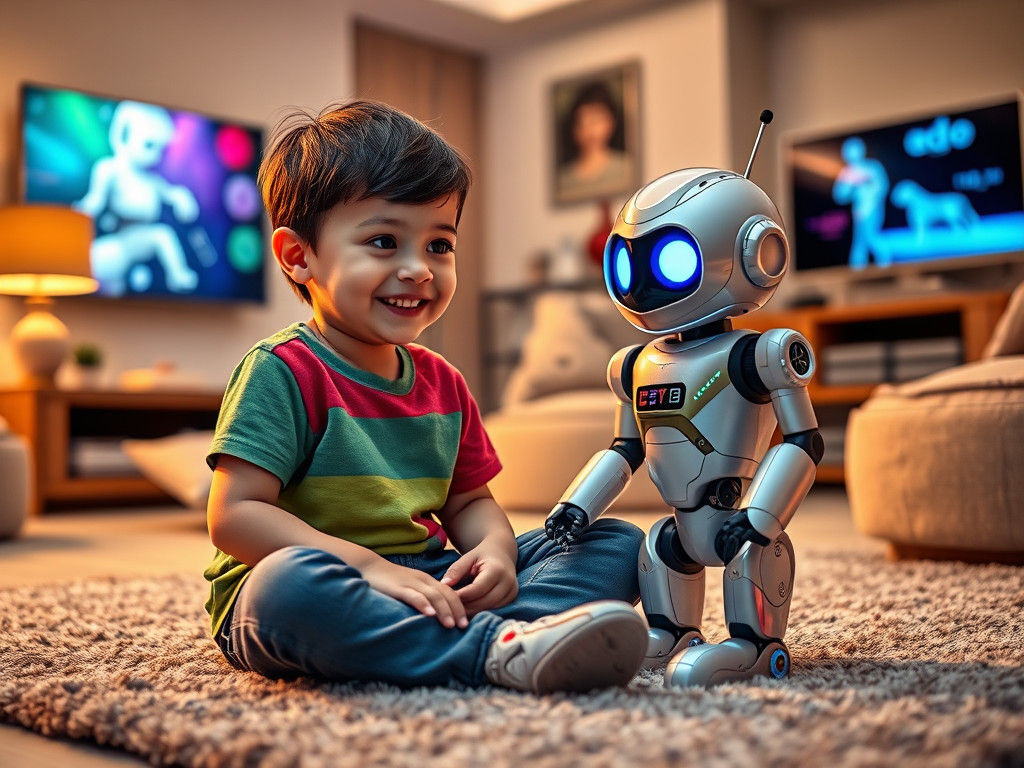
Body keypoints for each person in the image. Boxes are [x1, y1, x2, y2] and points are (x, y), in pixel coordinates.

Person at [203, 101, 648, 694]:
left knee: (616, 541)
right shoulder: (281, 371)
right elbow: (234, 516)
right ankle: (493, 647)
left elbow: (470, 502)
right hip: (326, 580)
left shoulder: (443, 381)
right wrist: (366, 566)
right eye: (384, 241)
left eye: (440, 245)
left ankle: (491, 639)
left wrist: (493, 551)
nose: (419, 269)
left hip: (432, 578)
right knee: (285, 590)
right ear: (298, 255)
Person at [557, 82, 633, 201]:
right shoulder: (562, 179)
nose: (590, 131)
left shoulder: (626, 167)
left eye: (595, 121)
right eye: (582, 123)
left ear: (611, 121)